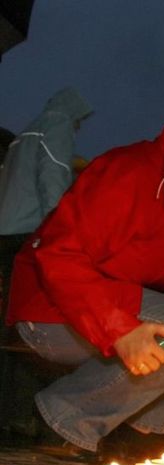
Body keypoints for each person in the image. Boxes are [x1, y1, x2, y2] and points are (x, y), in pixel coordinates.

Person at [4, 98, 164, 455]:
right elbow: (58, 254)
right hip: (50, 310)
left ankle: (149, 431)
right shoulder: (132, 171)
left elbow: (153, 268)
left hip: (109, 297)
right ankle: (63, 417)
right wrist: (119, 329)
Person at [0, 87, 92, 331]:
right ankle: (20, 348)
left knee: (9, 292)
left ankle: (8, 342)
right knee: (25, 296)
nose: (78, 126)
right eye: (80, 120)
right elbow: (54, 172)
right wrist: (57, 223)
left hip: (7, 225)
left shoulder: (28, 131)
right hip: (27, 227)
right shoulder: (58, 123)